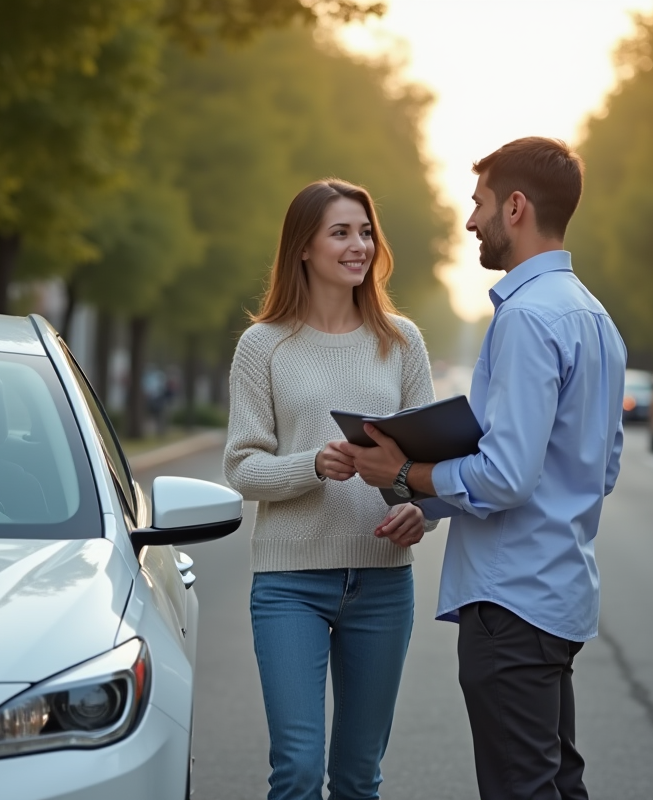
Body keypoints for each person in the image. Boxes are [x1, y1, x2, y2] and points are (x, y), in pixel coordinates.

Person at [346, 137, 626, 800]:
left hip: (512, 601)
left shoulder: (528, 318)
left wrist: (404, 472)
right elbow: (599, 468)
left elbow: (505, 476)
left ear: (517, 207)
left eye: (480, 204)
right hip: (557, 594)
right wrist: (432, 498)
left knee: (521, 790)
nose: (472, 220)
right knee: (555, 784)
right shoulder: (594, 317)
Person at [223, 179, 438, 800]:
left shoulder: (401, 341)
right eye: (340, 232)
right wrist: (312, 464)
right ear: (303, 248)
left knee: (357, 777)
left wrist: (420, 514)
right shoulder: (262, 346)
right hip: (291, 585)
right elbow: (242, 468)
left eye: (365, 231)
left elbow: (426, 467)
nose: (359, 245)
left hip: (383, 583)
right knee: (295, 770)